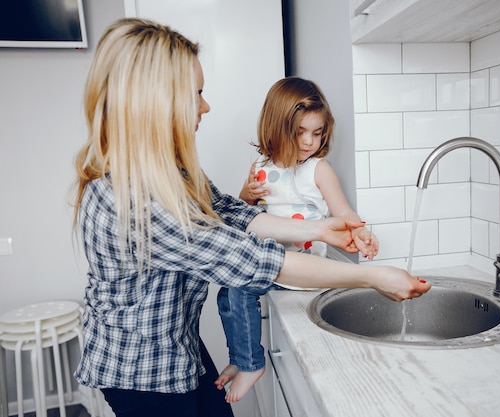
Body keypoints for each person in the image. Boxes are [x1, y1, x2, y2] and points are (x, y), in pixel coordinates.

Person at [72, 18, 431, 417]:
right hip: (141, 370)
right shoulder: (135, 200)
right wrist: (372, 276)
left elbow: (232, 214)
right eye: (197, 94)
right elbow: (251, 260)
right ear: (156, 103)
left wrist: (320, 229)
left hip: (175, 346)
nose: (206, 106)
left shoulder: (171, 171)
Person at [215, 77, 380, 403]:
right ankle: (239, 357)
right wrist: (247, 195)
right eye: (301, 132)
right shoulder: (260, 168)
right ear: (277, 127)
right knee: (226, 292)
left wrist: (361, 232)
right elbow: (242, 218)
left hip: (304, 269)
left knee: (238, 287)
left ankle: (250, 364)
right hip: (270, 265)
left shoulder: (319, 169)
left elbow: (343, 212)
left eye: (317, 133)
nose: (309, 142)